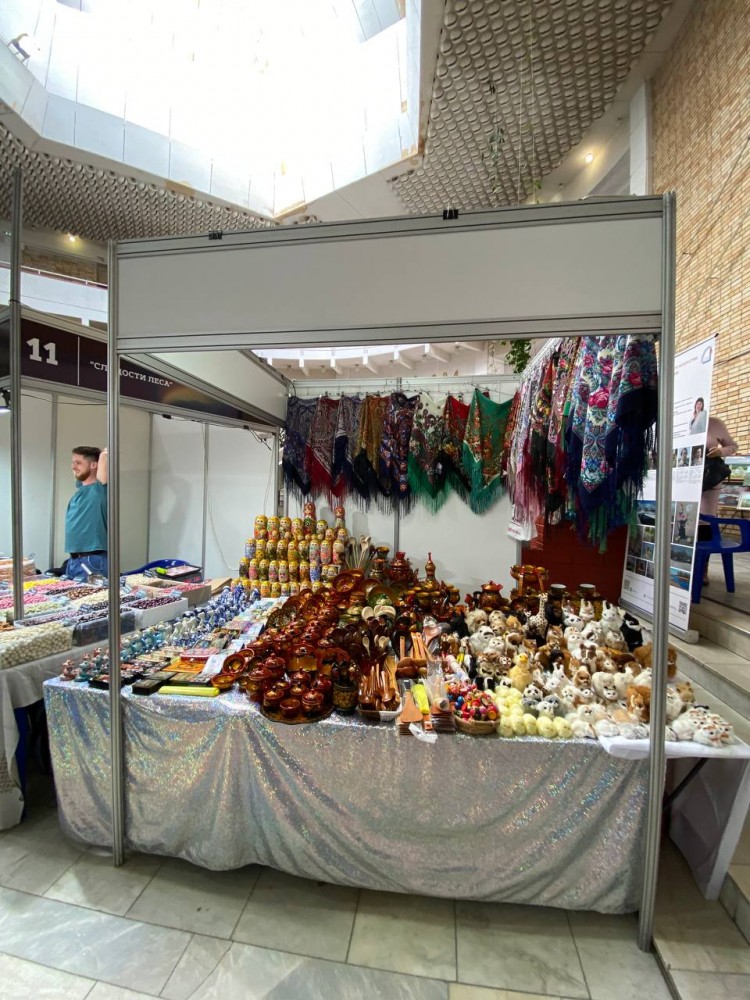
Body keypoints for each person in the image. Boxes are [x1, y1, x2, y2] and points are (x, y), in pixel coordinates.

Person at [699, 416, 738, 584]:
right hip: (685, 477)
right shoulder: (681, 420)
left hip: (709, 479)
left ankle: (703, 569)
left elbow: (733, 446)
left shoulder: (715, 423)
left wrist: (720, 452)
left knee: (705, 521)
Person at [65, 446, 108, 581]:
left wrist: (104, 454)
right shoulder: (80, 489)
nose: (73, 467)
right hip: (74, 560)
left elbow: (105, 458)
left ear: (94, 465)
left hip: (93, 560)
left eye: (78, 463)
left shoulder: (99, 489)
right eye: (73, 463)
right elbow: (78, 474)